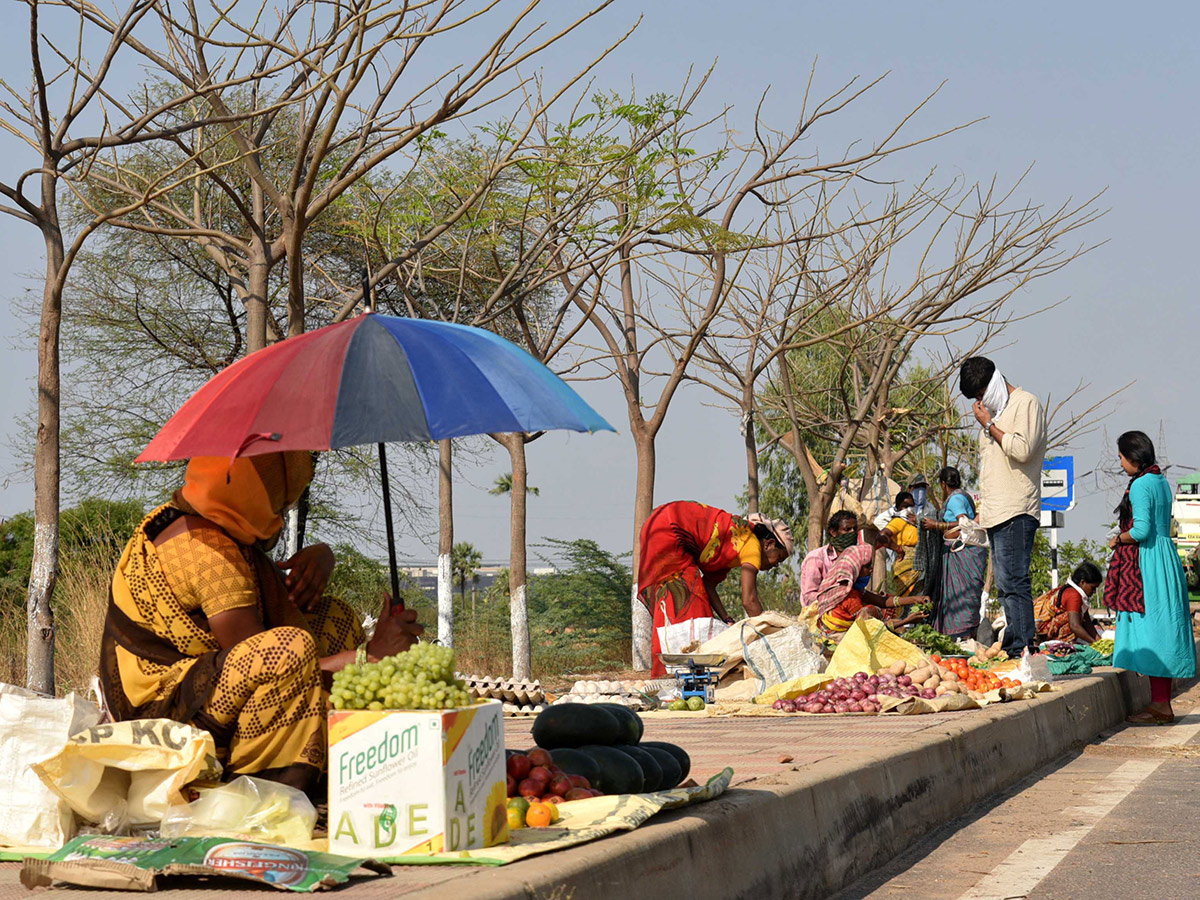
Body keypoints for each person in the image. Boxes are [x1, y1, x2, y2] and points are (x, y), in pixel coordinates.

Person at [98, 453, 424, 793]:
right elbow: (272, 662)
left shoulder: (201, 520)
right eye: (278, 495)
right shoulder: (210, 556)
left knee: (336, 618)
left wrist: (323, 556)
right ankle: (267, 783)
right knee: (290, 650)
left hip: (210, 683)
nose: (282, 509)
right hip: (168, 714)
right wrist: (367, 657)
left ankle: (334, 740)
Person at [638, 501, 793, 676]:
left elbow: (708, 586)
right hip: (669, 528)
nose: (775, 566)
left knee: (679, 604)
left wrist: (727, 618)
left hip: (658, 524)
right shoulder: (752, 545)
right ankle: (676, 678)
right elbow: (749, 601)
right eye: (778, 559)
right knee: (690, 610)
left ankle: (671, 676)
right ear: (768, 544)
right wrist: (769, 634)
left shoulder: (733, 545)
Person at [1105, 431, 1197, 724]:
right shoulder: (1160, 481)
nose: (1120, 463)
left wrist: (1118, 539)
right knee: (1163, 629)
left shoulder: (1141, 485)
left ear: (1133, 457)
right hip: (1165, 557)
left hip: (1147, 564)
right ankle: (1161, 704)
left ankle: (1160, 705)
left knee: (1152, 632)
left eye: (1121, 457)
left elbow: (1142, 530)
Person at [959, 356, 1046, 657]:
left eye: (981, 394)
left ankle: (1022, 645)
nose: (980, 402)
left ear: (993, 382)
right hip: (997, 512)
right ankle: (1016, 645)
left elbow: (1022, 450)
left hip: (1017, 509)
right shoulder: (996, 414)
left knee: (1013, 580)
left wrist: (990, 425)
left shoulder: (1025, 403)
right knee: (1004, 584)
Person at [815, 525, 928, 636]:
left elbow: (882, 601)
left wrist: (915, 599)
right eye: (867, 566)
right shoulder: (849, 597)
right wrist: (907, 621)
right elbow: (869, 629)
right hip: (842, 639)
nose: (871, 570)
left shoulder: (852, 590)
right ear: (855, 568)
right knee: (871, 610)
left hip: (847, 632)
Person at [922, 466, 989, 640]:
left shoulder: (955, 499)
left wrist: (937, 525)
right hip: (962, 553)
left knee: (961, 594)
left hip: (961, 553)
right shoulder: (963, 496)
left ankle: (962, 632)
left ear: (943, 484)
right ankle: (963, 633)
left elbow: (964, 522)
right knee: (963, 593)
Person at [800, 510, 860, 606]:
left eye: (855, 529)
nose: (852, 533)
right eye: (847, 529)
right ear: (833, 532)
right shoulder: (816, 559)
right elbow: (809, 598)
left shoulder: (855, 559)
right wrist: (838, 597)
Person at [1035, 561, 1103, 645]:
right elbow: (1074, 626)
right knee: (1075, 617)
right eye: (1093, 588)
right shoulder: (1074, 595)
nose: (1094, 592)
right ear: (1082, 582)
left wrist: (1099, 640)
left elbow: (1087, 621)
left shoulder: (1073, 592)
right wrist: (1094, 643)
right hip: (1042, 631)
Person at [875, 491, 921, 596]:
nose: (909, 509)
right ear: (898, 508)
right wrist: (897, 549)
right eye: (905, 506)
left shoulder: (917, 524)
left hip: (920, 566)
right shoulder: (898, 522)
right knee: (908, 599)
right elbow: (881, 536)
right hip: (905, 568)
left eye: (911, 506)